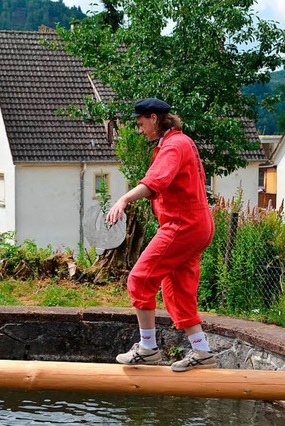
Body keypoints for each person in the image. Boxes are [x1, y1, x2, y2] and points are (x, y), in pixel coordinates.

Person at [106, 97, 217, 372]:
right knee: (177, 290)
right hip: (196, 224)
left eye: (141, 123)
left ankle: (147, 348)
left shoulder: (173, 146)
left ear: (154, 118)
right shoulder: (179, 142)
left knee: (140, 278)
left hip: (183, 224)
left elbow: (156, 181)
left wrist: (124, 199)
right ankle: (202, 352)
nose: (139, 129)